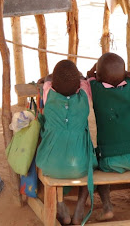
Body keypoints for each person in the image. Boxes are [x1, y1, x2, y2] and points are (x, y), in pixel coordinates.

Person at [36, 60, 97, 225]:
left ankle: (61, 207)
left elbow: (48, 80)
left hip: (49, 164)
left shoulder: (48, 93)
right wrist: (80, 76)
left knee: (43, 157)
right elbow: (84, 79)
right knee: (89, 167)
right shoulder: (84, 94)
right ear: (78, 83)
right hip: (80, 165)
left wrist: (49, 78)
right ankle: (78, 211)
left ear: (53, 83)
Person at [87, 52, 130, 221]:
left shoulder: (95, 88)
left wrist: (95, 69)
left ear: (99, 76)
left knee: (95, 162)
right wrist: (123, 73)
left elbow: (89, 75)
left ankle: (107, 206)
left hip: (108, 160)